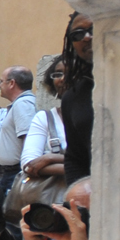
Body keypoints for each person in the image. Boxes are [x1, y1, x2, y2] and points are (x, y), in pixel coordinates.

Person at [56, 12, 94, 181]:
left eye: (94, 29)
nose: (86, 37)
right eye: (78, 34)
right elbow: (76, 157)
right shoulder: (72, 97)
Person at [21, 58, 70, 187]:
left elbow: (99, 164)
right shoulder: (45, 118)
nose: (63, 79)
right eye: (58, 74)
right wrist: (77, 167)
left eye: (71, 73)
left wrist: (50, 158)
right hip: (54, 198)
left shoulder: (99, 117)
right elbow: (28, 164)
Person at [0, 66, 38, 186]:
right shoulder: (20, 103)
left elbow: (28, 138)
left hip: (17, 172)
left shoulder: (23, 104)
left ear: (12, 83)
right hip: (11, 172)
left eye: (1, 82)